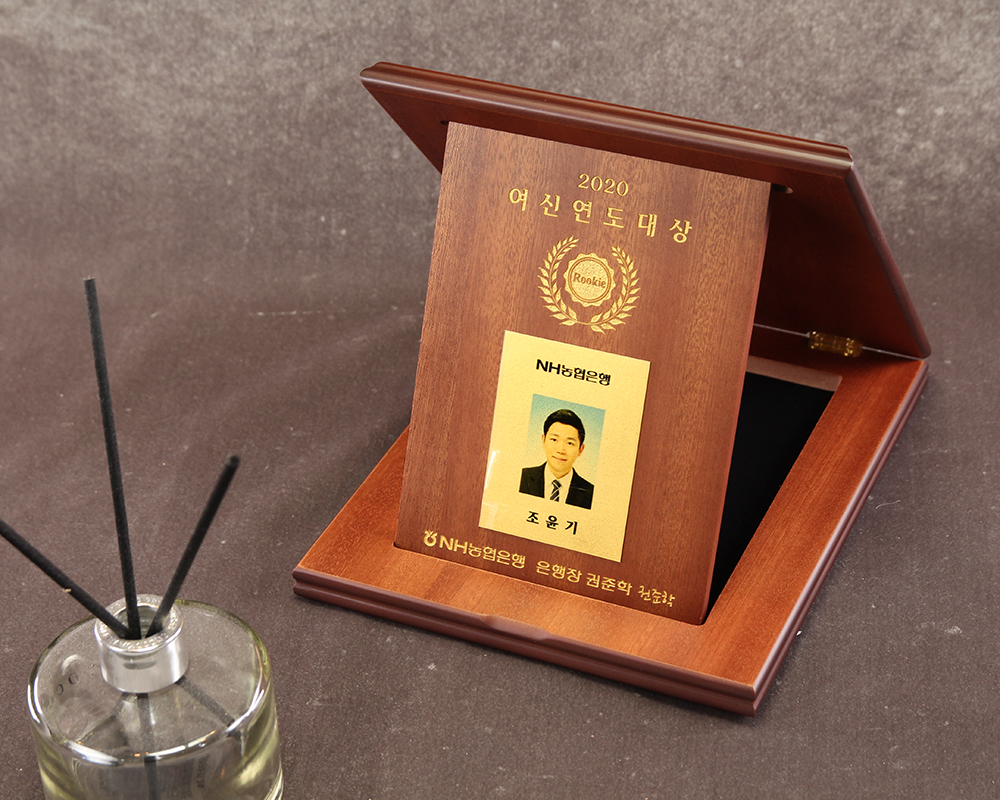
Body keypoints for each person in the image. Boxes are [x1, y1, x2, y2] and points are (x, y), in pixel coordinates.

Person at [520, 409, 594, 509]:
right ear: (543, 440)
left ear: (580, 449)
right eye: (554, 439)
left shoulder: (591, 493)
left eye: (569, 443)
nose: (560, 450)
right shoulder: (522, 478)